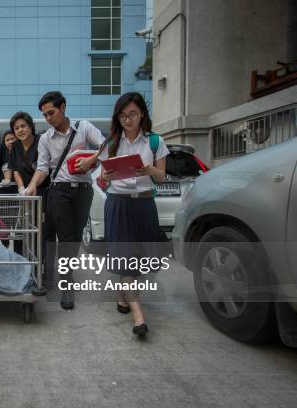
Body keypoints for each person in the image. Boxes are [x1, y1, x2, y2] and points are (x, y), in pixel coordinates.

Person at [24, 91, 104, 310]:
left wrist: (91, 159)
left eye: (51, 113)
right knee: (66, 236)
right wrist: (32, 185)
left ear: (63, 108)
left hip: (84, 190)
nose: (48, 118)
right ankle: (67, 284)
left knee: (75, 237)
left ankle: (64, 271)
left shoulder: (84, 127)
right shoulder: (45, 139)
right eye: (45, 115)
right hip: (59, 191)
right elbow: (42, 167)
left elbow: (106, 146)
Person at [98, 92, 169, 337]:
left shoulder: (155, 142)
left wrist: (149, 169)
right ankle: (139, 316)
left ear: (142, 115)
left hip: (145, 205)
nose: (128, 120)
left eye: (133, 114)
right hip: (118, 204)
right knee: (126, 258)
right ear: (117, 117)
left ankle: (122, 295)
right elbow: (101, 179)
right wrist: (105, 176)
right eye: (123, 115)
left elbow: (162, 176)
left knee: (135, 258)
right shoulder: (110, 144)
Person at [7, 112, 49, 256]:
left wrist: (32, 186)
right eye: (16, 128)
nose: (20, 130)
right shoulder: (15, 146)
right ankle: (21, 263)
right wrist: (21, 188)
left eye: (23, 126)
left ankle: (40, 265)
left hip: (42, 192)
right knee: (21, 230)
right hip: (24, 194)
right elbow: (16, 170)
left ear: (30, 126)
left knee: (40, 229)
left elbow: (43, 168)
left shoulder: (41, 142)